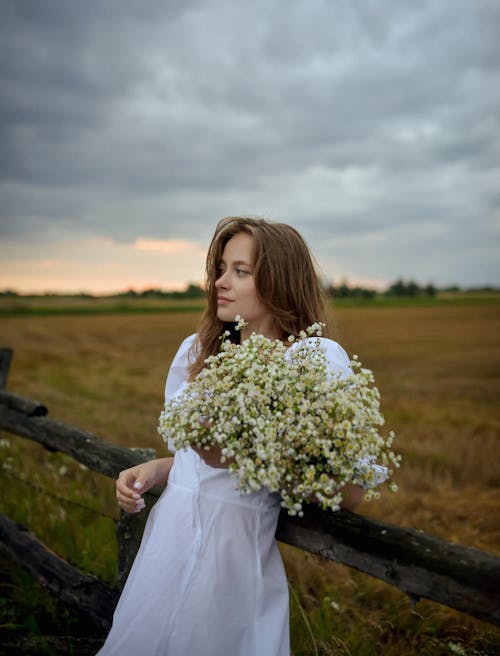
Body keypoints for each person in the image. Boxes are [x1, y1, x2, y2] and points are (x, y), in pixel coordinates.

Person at [97, 216, 363, 656]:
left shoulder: (311, 361)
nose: (221, 282)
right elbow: (200, 462)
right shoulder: (198, 352)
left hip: (232, 564)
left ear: (280, 281)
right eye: (220, 268)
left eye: (240, 271)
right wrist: (160, 467)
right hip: (167, 547)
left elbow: (347, 492)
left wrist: (245, 459)